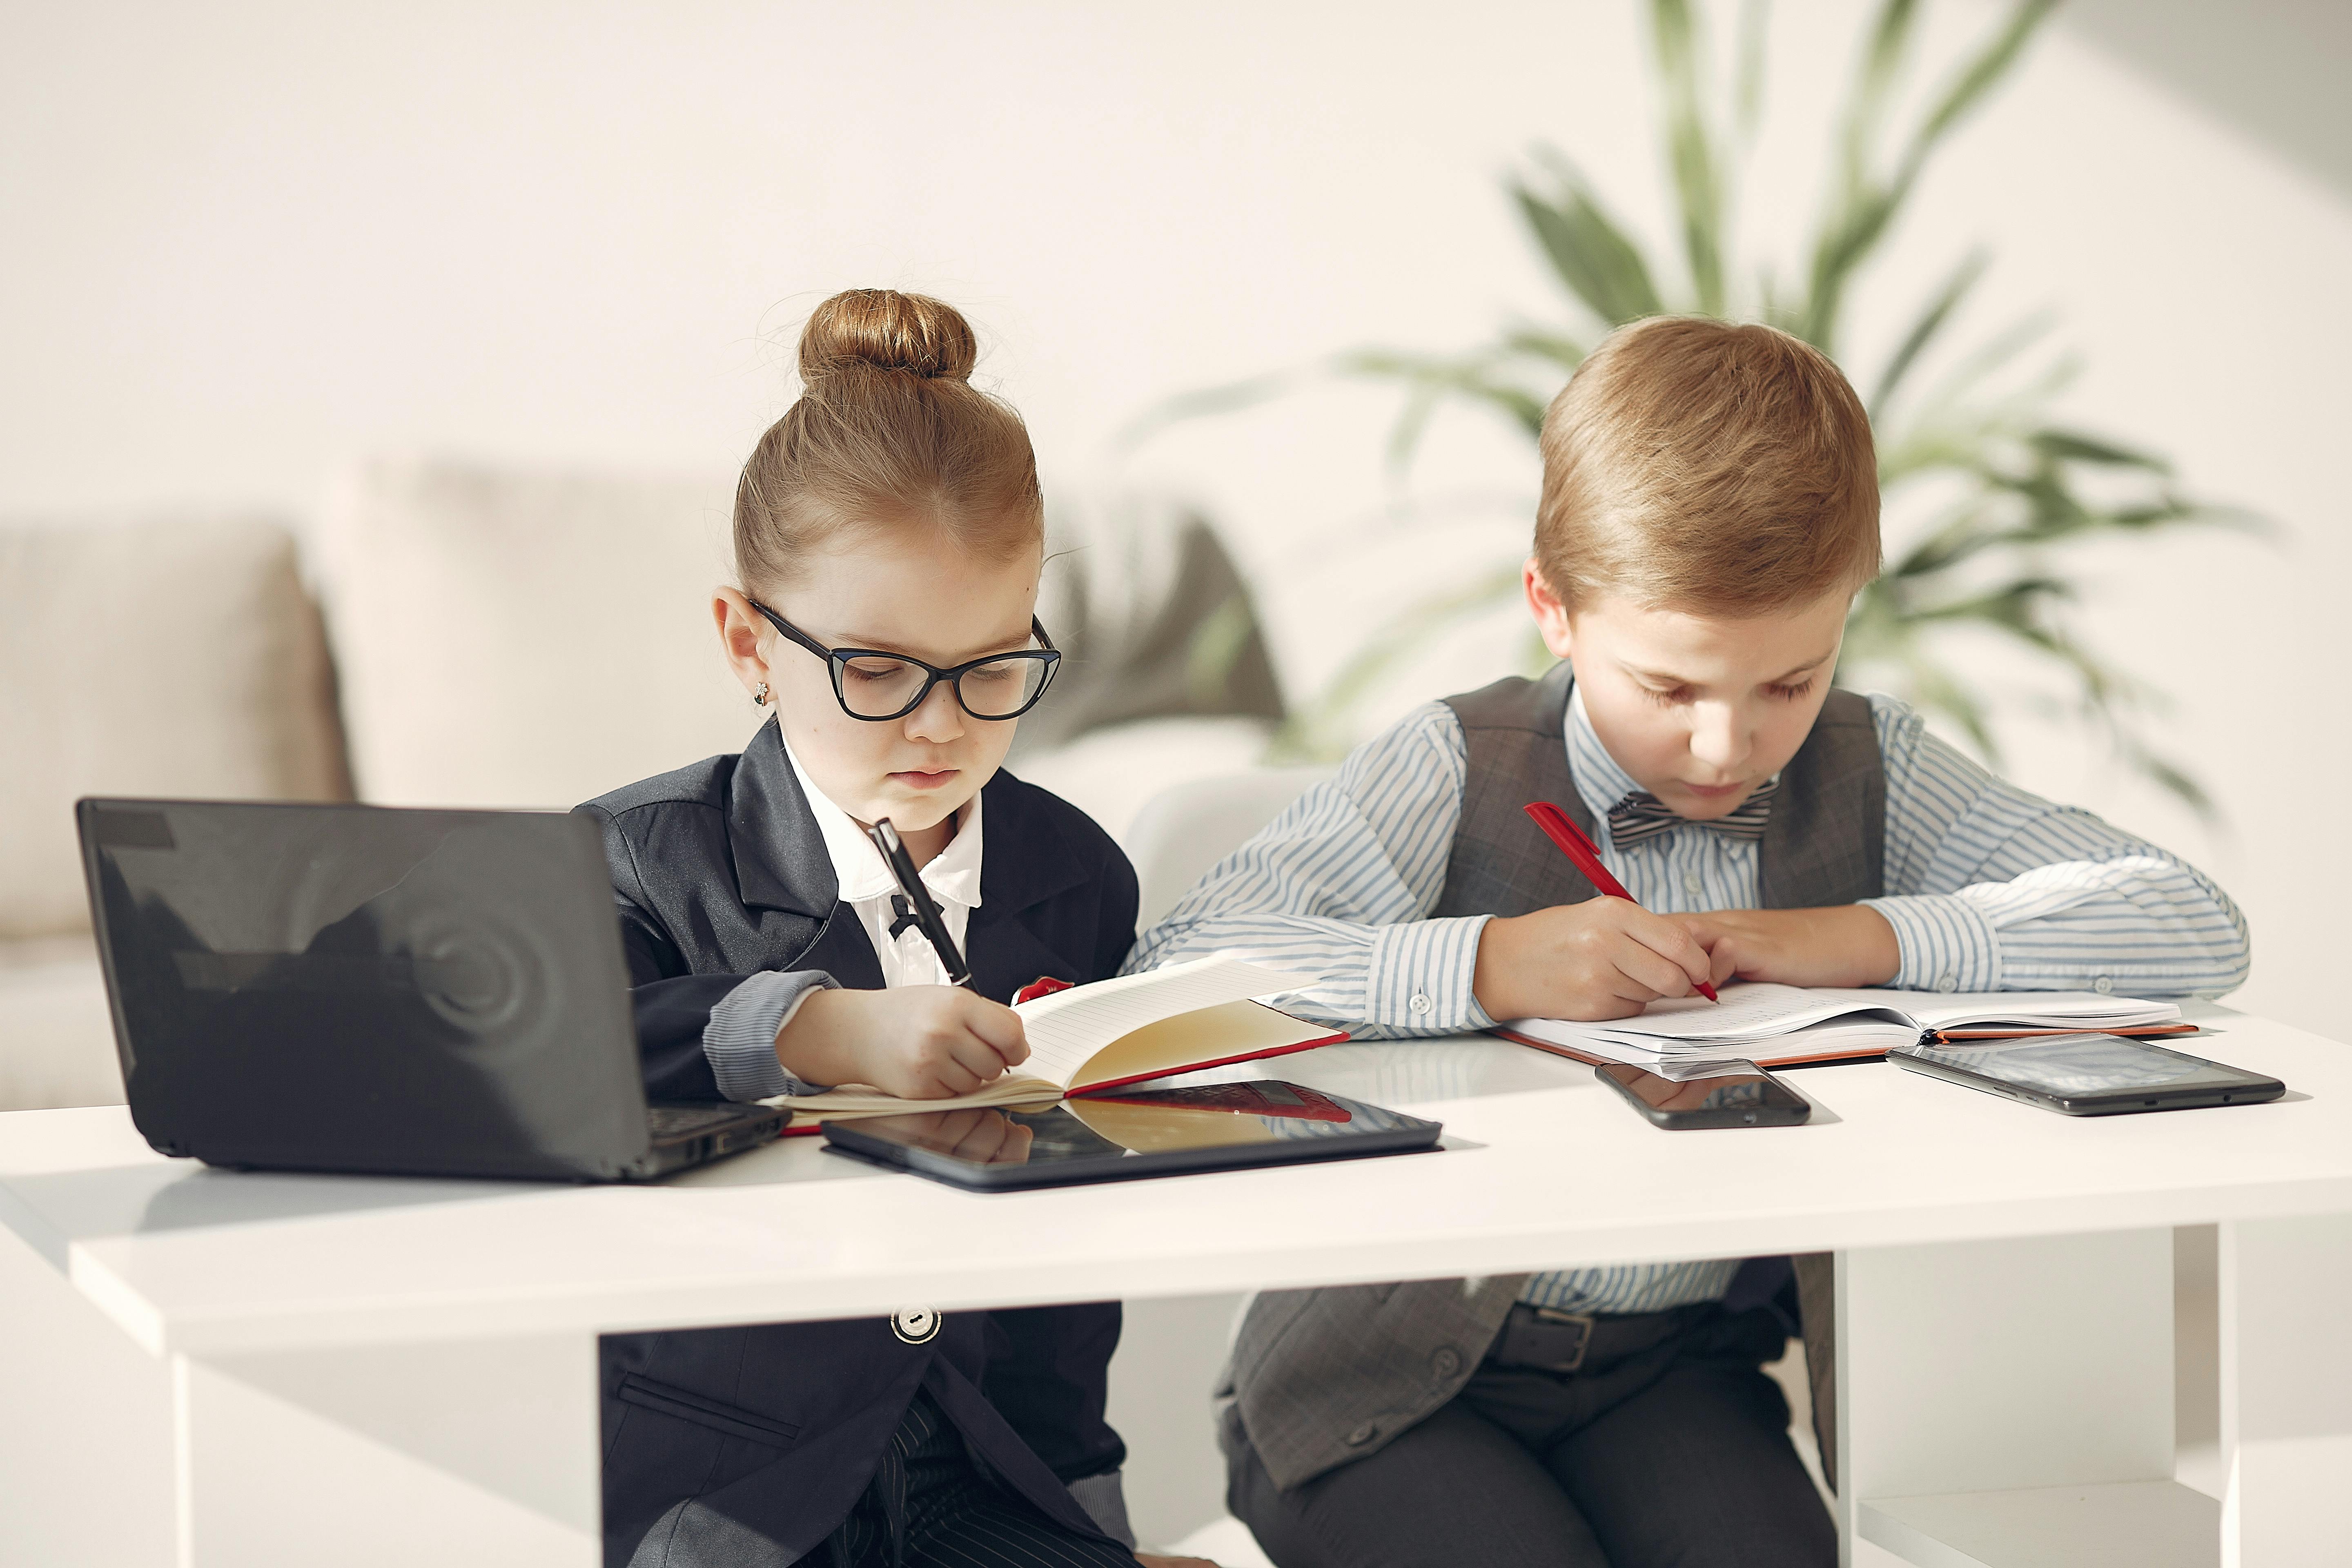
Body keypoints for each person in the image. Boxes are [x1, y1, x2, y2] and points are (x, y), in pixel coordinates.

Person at [1127, 315, 2251, 1568]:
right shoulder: (1453, 760)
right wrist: (1486, 963)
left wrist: (1860, 936)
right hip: (1379, 1395)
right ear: (1552, 606)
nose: (1729, 749)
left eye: (1791, 682)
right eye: (1670, 689)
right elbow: (1175, 972)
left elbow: (2188, 919)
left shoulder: (1876, 767)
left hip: (1674, 1373)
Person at [578, 289, 1215, 1568]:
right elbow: (546, 1051)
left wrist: (1094, 1530)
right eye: (875, 669)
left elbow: (1064, 1289)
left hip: (991, 1475)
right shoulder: (636, 859)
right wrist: (813, 1029)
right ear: (747, 641)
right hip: (732, 1501)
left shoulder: (1076, 874)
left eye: (991, 669)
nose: (939, 725)